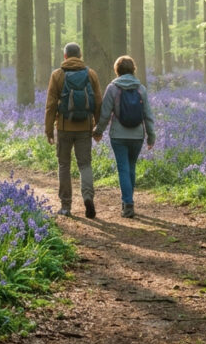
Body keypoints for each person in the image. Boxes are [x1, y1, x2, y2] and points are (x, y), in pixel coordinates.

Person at [93, 55, 156, 218]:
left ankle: (128, 204)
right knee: (131, 167)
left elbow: (105, 114)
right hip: (137, 136)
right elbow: (148, 114)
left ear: (117, 70)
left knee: (123, 168)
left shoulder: (112, 88)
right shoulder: (141, 88)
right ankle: (128, 200)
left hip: (118, 136)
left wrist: (98, 131)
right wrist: (151, 136)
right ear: (133, 69)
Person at [44, 42, 102, 218]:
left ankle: (66, 206)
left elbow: (51, 105)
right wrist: (98, 127)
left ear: (65, 56)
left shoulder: (57, 75)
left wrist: (48, 130)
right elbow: (98, 102)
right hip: (85, 127)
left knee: (64, 165)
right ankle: (87, 197)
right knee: (85, 164)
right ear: (80, 55)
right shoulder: (91, 74)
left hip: (63, 127)